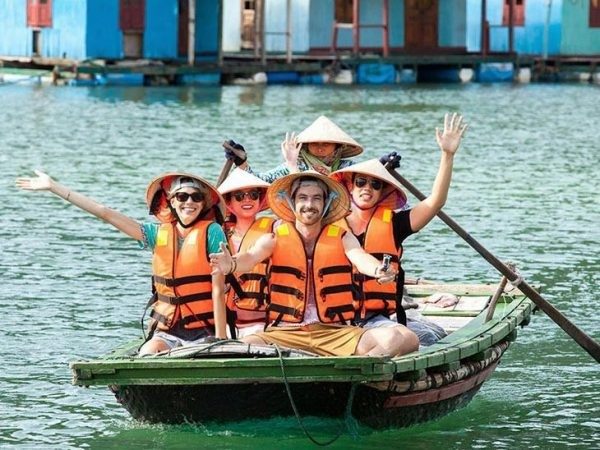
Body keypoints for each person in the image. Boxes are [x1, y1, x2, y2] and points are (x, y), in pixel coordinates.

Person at [15, 170, 228, 356]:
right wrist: (54, 187)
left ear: (203, 203)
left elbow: (218, 289)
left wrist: (220, 339)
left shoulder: (213, 232)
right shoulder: (156, 234)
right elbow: (105, 213)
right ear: (172, 201)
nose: (189, 202)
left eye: (196, 197)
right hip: (168, 330)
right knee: (148, 353)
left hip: (205, 331)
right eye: (182, 196)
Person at [209, 171, 419, 357]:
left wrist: (378, 270)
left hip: (334, 333)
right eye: (303, 198)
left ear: (326, 203)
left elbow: (360, 257)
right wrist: (231, 264)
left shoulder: (342, 237)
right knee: (240, 348)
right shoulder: (274, 238)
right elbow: (250, 257)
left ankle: (357, 368)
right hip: (284, 333)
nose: (309, 205)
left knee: (404, 339)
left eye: (316, 199)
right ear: (292, 202)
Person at [330, 113, 467, 346]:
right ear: (349, 187)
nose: (367, 188)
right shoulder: (329, 224)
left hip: (379, 318)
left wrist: (447, 155)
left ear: (383, 192)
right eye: (361, 182)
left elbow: (435, 202)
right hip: (334, 318)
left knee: (409, 340)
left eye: (375, 184)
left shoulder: (394, 224)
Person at [217, 168, 273, 338]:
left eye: (253, 195)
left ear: (260, 198)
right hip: (223, 321)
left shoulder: (274, 229)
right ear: (229, 202)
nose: (247, 200)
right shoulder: (218, 232)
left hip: (261, 323)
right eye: (239, 196)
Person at [223, 115, 363, 183]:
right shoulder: (295, 165)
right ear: (306, 146)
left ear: (337, 147)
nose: (320, 149)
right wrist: (242, 162)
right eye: (315, 144)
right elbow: (263, 180)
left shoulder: (347, 168)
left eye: (325, 144)